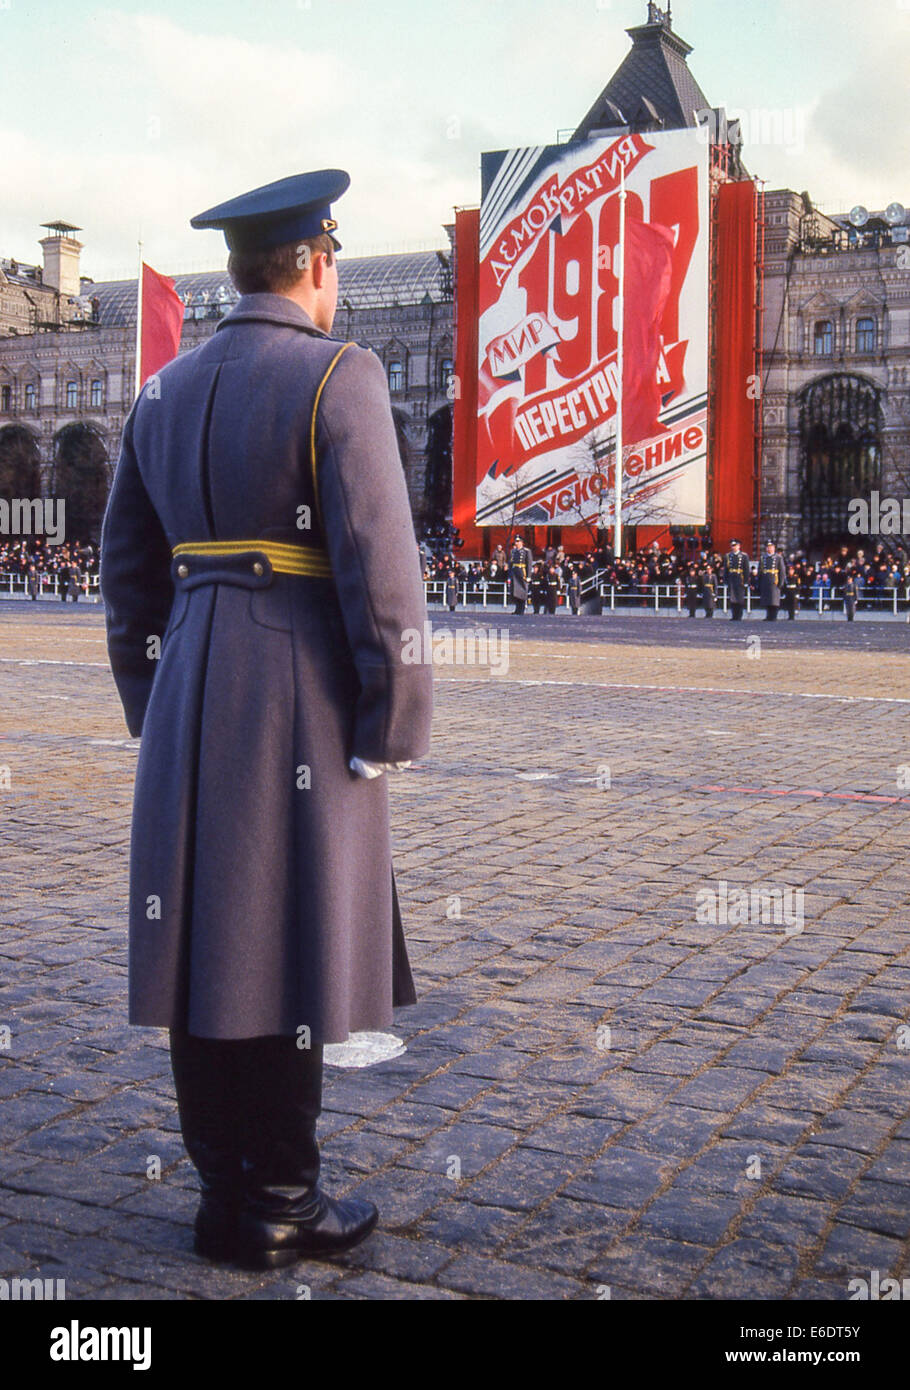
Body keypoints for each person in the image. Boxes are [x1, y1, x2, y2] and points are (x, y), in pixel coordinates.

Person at [99, 168, 433, 1270]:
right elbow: (382, 574)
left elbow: (127, 576)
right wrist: (392, 719)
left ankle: (220, 1192)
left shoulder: (162, 389)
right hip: (297, 690)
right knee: (288, 942)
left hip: (192, 680)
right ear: (318, 263)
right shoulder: (340, 373)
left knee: (203, 940)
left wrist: (159, 701)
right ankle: (283, 1196)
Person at [758, 540, 786, 620]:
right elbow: (760, 570)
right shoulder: (763, 557)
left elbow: (782, 571)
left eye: (771, 547)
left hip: (775, 580)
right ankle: (768, 615)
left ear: (774, 548)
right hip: (765, 580)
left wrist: (781, 582)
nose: (769, 549)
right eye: (768, 547)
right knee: (767, 599)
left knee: (774, 599)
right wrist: (759, 581)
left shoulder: (778, 557)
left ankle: (773, 616)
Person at [724, 538, 749, 620]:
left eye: (735, 546)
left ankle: (739, 615)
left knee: (740, 598)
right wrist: (725, 580)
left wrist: (746, 581)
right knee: (732, 598)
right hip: (732, 578)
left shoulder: (744, 556)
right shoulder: (728, 556)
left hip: (740, 578)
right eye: (732, 546)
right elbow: (726, 569)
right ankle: (734, 615)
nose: (733, 547)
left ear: (739, 546)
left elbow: (746, 569)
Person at [509, 535, 532, 615]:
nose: (517, 543)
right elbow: (510, 563)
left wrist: (529, 576)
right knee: (515, 591)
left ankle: (521, 609)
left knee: (522, 591)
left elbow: (529, 563)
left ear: (522, 542)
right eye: (516, 541)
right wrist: (509, 575)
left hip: (522, 572)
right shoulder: (513, 551)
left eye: (518, 541)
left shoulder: (526, 551)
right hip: (515, 572)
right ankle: (517, 609)